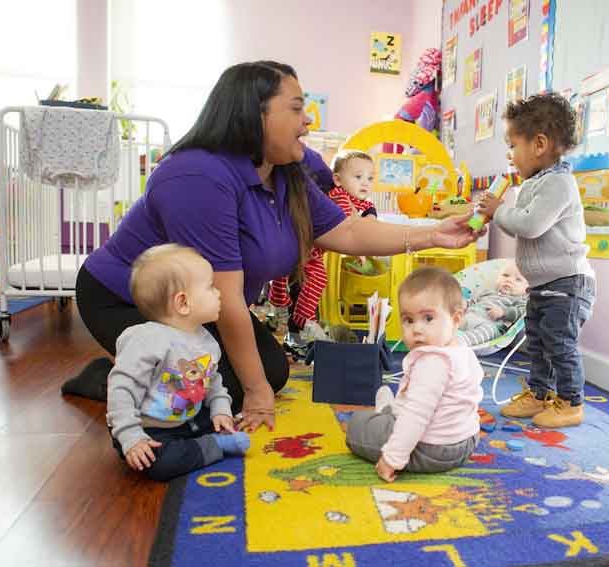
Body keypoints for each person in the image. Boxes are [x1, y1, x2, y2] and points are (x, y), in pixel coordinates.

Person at [63, 60, 483, 432]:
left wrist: (433, 233)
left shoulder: (284, 173)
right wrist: (257, 394)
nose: (308, 121)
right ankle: (119, 378)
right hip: (129, 299)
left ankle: (135, 372)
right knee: (209, 390)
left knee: (271, 370)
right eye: (296, 108)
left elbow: (349, 232)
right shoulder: (198, 177)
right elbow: (228, 298)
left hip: (200, 305)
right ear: (253, 114)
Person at [477, 93, 596, 428]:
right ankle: (540, 393)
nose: (509, 154)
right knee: (538, 341)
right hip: (544, 284)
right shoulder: (536, 183)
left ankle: (571, 401)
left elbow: (530, 225)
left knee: (559, 343)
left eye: (513, 144)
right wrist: (497, 213)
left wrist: (498, 211)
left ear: (539, 144)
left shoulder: (558, 183)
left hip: (568, 284)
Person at [106, 244, 249, 482]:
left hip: (186, 419)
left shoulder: (206, 340)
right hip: (148, 428)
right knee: (161, 465)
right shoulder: (147, 340)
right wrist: (131, 436)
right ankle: (215, 446)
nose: (219, 293)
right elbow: (121, 389)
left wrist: (220, 411)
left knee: (225, 415)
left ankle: (208, 439)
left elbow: (213, 382)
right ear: (183, 303)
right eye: (211, 287)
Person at [345, 267, 483, 482]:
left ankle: (386, 413)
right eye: (408, 320)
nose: (416, 329)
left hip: (433, 450)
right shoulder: (462, 351)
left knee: (357, 425)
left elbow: (417, 415)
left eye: (428, 318)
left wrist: (392, 458)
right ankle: (389, 411)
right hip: (466, 440)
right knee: (402, 408)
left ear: (456, 319)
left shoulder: (432, 362)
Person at [268, 150, 377, 338]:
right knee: (299, 274)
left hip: (312, 249)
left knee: (310, 278)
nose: (365, 182)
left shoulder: (360, 202)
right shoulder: (339, 196)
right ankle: (292, 312)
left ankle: (294, 312)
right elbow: (349, 227)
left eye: (370, 178)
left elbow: (369, 215)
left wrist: (371, 219)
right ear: (338, 180)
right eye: (358, 177)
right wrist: (362, 245)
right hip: (303, 242)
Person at [457, 260, 528, 347]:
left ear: (527, 289)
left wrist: (504, 313)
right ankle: (444, 336)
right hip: (469, 317)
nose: (509, 280)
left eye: (518, 280)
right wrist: (464, 304)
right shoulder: (487, 292)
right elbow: (473, 301)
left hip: (492, 326)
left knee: (488, 330)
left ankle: (462, 341)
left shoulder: (520, 300)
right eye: (505, 275)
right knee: (452, 318)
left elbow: (521, 313)